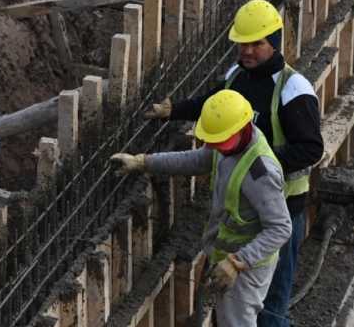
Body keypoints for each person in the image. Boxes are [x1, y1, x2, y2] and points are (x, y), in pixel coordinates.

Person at [143, 0, 323, 327]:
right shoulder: (237, 75)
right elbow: (214, 106)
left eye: (257, 43)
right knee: (244, 309)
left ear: (275, 43)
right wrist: (174, 111)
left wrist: (260, 162)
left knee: (271, 307)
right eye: (243, 43)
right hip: (242, 216)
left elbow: (311, 149)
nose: (248, 50)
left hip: (282, 208)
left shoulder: (292, 89)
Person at [111, 90, 291, 327]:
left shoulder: (260, 172)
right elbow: (196, 160)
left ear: (240, 127)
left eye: (220, 141)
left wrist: (238, 262)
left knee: (236, 322)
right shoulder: (231, 143)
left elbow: (281, 228)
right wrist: (144, 162)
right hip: (224, 252)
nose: (215, 146)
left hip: (246, 268)